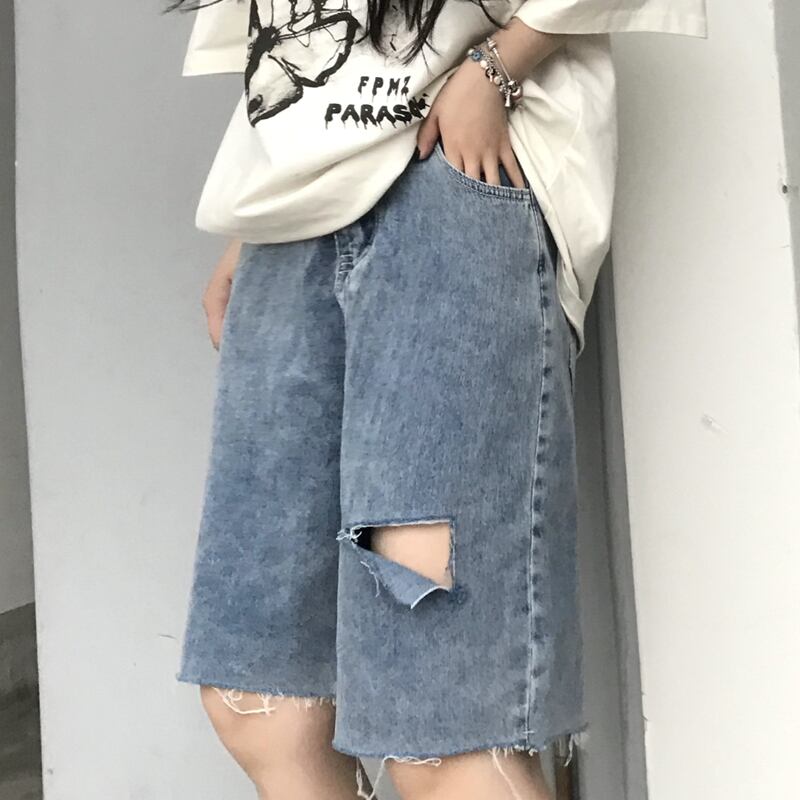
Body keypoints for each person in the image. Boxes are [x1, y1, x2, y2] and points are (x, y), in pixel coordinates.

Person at [173, 1, 707, 798]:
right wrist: (252, 222)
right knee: (262, 699)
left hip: (449, 193)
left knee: (445, 730)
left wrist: (501, 66)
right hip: (289, 218)